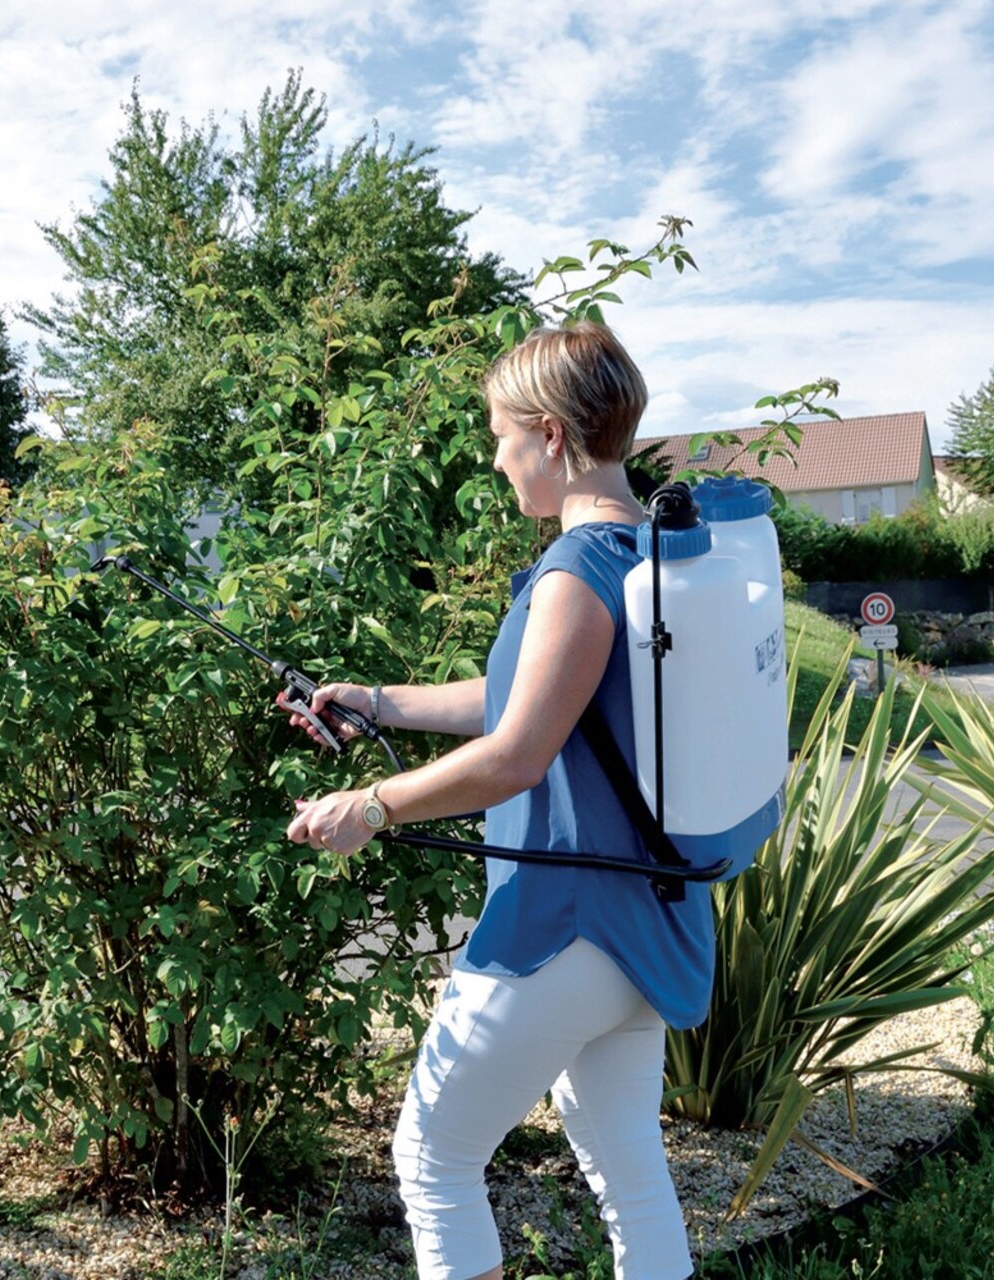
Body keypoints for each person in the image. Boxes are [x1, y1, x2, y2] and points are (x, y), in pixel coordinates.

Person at [281, 322, 712, 1280]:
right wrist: (381, 701)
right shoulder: (652, 553)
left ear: (552, 436)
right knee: (629, 1166)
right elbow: (545, 698)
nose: (495, 455)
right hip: (650, 916)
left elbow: (518, 751)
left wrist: (374, 804)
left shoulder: (572, 572)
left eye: (500, 433)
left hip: (564, 921)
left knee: (432, 1155)